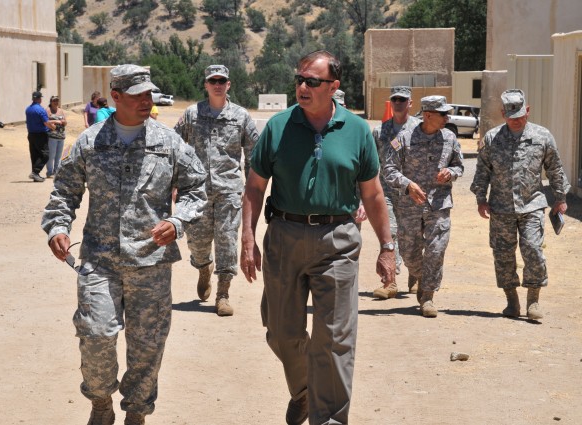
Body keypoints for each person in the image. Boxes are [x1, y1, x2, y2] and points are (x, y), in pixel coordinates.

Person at [41, 64, 207, 425]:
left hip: (151, 263)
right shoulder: (90, 142)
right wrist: (57, 226)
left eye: (149, 94)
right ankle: (101, 403)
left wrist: (178, 222)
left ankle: (136, 411)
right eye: (137, 96)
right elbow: (64, 192)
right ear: (115, 97)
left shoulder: (168, 142)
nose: (146, 101)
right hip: (99, 261)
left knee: (148, 347)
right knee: (96, 333)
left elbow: (198, 189)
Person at [240, 50, 395, 425]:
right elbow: (255, 187)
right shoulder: (278, 127)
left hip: (338, 240)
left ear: (334, 87)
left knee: (335, 338)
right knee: (280, 332)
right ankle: (306, 390)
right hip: (284, 237)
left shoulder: (356, 130)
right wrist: (247, 236)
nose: (303, 87)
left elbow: (373, 194)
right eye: (299, 80)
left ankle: (329, 418)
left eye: (312, 81)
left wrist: (387, 247)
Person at [470, 89, 570, 320]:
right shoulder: (492, 138)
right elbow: (482, 170)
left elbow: (554, 168)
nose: (516, 121)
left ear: (528, 110)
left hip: (532, 205)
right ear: (503, 113)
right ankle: (511, 301)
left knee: (533, 251)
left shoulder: (542, 136)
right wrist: (481, 200)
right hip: (500, 208)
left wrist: (561, 198)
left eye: (520, 116)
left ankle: (533, 301)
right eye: (511, 117)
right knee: (503, 255)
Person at [174, 64, 259, 316]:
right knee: (197, 243)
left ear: (229, 84)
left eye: (222, 80)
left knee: (227, 240)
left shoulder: (241, 116)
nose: (218, 84)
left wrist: (252, 190)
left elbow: (252, 154)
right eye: (213, 80)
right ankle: (203, 267)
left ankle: (223, 293)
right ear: (206, 85)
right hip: (197, 191)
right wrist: (176, 182)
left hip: (229, 191)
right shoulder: (191, 114)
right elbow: (175, 147)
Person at [382, 95, 464, 318]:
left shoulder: (450, 138)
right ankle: (419, 275)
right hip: (409, 206)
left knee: (436, 251)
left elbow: (459, 166)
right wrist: (408, 185)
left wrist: (451, 172)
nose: (448, 117)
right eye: (443, 114)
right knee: (409, 254)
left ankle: (427, 296)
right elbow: (388, 170)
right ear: (428, 115)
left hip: (439, 204)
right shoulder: (403, 139)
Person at [369, 86, 421, 299]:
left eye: (403, 100)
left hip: (412, 191)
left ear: (410, 103)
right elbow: (372, 164)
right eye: (395, 99)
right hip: (387, 191)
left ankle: (417, 275)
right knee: (390, 234)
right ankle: (390, 281)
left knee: (413, 236)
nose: (398, 103)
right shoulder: (380, 132)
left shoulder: (420, 129)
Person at [25, 91, 58, 182]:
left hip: (31, 134)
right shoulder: (40, 109)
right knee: (45, 154)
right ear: (39, 99)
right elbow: (46, 122)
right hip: (40, 135)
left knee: (34, 155)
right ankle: (35, 172)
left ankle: (35, 174)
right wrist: (53, 127)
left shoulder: (28, 109)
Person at [45, 95, 67, 178]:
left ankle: (56, 171)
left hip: (61, 136)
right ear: (51, 102)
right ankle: (49, 172)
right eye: (54, 101)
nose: (56, 102)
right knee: (51, 155)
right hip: (52, 136)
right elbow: (46, 121)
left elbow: (65, 121)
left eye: (57, 100)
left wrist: (63, 122)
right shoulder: (47, 110)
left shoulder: (61, 110)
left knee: (58, 156)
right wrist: (57, 121)